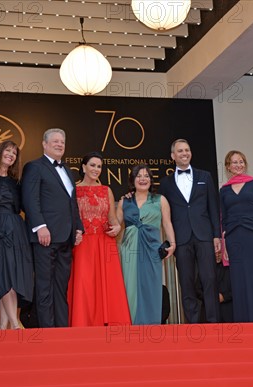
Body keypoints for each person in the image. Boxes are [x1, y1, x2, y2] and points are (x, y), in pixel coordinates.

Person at [21, 128, 84, 328]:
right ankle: (46, 330)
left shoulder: (67, 170)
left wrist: (78, 228)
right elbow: (30, 200)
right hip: (45, 237)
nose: (59, 145)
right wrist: (40, 226)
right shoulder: (34, 167)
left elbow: (72, 202)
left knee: (60, 286)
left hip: (65, 238)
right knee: (44, 286)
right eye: (55, 141)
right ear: (44, 144)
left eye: (62, 142)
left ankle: (62, 329)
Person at [158, 139, 220, 323]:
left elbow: (213, 208)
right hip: (181, 238)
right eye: (180, 151)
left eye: (187, 150)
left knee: (209, 279)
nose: (184, 153)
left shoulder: (205, 176)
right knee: (186, 281)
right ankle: (192, 324)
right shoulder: (165, 183)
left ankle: (213, 322)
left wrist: (216, 235)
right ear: (173, 156)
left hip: (204, 235)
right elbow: (161, 211)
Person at [68, 152, 131, 327]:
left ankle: (109, 321)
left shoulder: (106, 190)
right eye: (92, 165)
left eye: (99, 166)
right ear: (83, 167)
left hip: (104, 242)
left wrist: (117, 227)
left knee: (108, 285)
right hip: (82, 243)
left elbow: (112, 218)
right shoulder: (74, 190)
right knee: (84, 284)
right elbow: (70, 217)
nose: (96, 169)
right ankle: (82, 322)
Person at [0, 141, 33, 330]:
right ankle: (15, 324)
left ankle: (4, 325)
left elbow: (30, 205)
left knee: (13, 276)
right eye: (8, 151)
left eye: (14, 153)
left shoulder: (17, 182)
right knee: (1, 275)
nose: (11, 155)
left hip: (16, 229)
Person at [117, 164, 176, 325]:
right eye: (139, 176)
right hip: (129, 249)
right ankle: (130, 325)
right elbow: (116, 226)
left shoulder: (160, 200)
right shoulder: (124, 201)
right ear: (133, 180)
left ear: (151, 180)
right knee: (130, 287)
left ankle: (151, 326)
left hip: (152, 248)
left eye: (146, 176)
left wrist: (172, 243)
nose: (143, 179)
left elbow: (167, 223)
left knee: (151, 286)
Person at [220, 151, 253, 322]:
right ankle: (243, 321)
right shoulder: (224, 190)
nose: (238, 165)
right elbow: (223, 218)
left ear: (245, 164)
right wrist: (224, 244)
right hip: (233, 237)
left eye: (241, 161)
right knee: (238, 278)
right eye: (234, 162)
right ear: (228, 166)